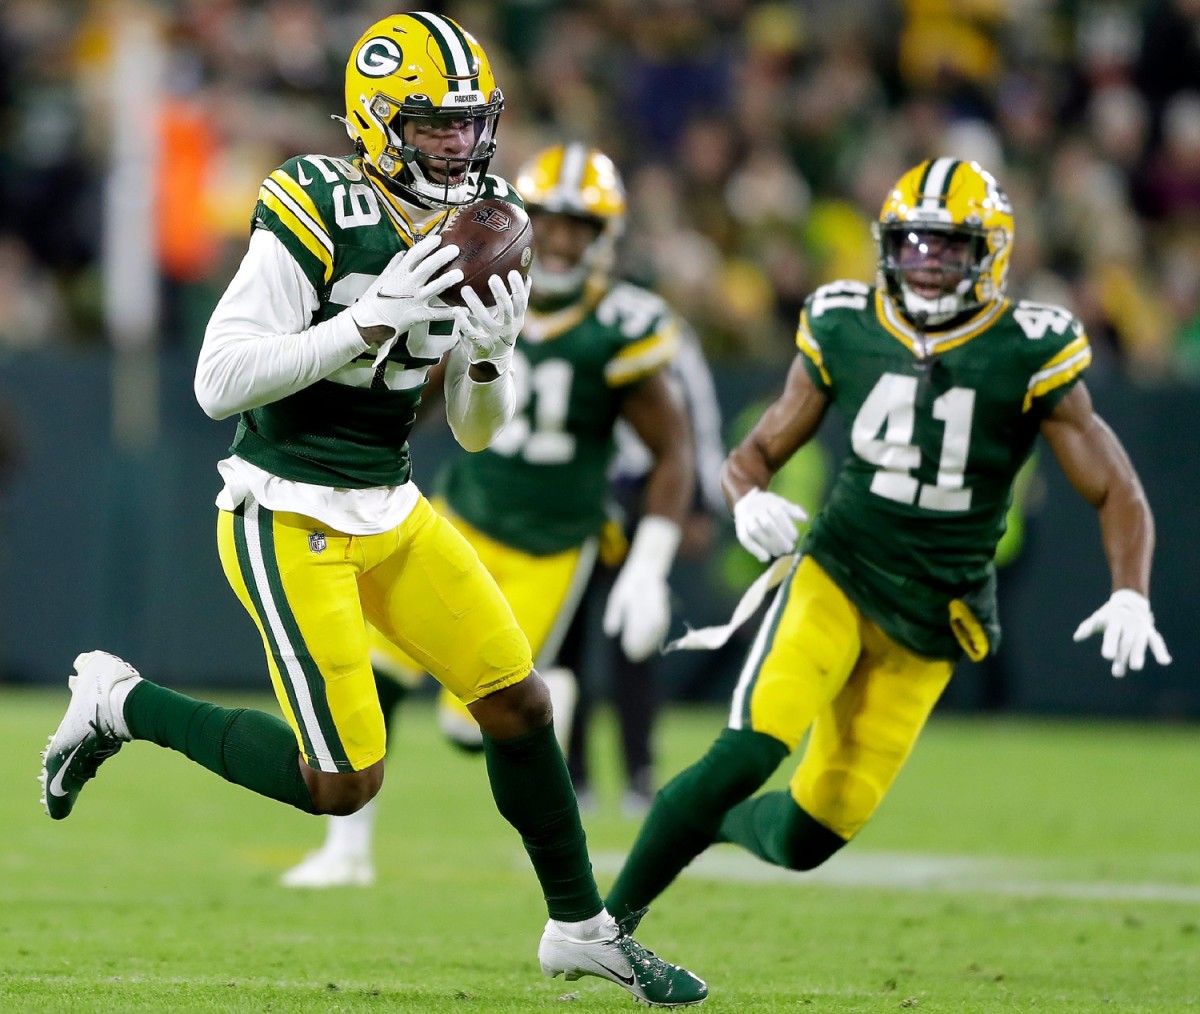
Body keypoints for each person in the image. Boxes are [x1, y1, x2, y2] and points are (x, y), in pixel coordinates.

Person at [37, 14, 706, 1007]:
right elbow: (219, 382)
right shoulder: (315, 198)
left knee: (522, 704)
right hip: (284, 508)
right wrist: (368, 318)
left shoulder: (486, 221)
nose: (464, 148)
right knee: (343, 781)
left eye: (474, 126)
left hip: (389, 503)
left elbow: (475, 429)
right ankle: (118, 702)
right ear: (378, 122)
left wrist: (488, 357)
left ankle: (581, 928)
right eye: (438, 127)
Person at [603, 157, 1173, 935]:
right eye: (912, 244)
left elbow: (1117, 488)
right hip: (838, 573)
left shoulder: (1028, 347)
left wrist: (1130, 591)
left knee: (809, 839)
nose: (926, 263)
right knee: (745, 753)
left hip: (933, 619)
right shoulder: (845, 322)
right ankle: (599, 927)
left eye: (947, 246)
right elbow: (754, 456)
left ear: (991, 253)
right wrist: (747, 503)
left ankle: (710, 825)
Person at [280, 140, 699, 889]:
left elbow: (673, 448)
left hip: (551, 543)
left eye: (580, 226)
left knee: (471, 724)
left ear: (606, 237)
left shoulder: (624, 323)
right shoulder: (476, 280)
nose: (563, 241)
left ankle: (556, 695)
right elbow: (428, 392)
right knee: (377, 678)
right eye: (551, 222)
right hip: (463, 518)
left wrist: (650, 562)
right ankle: (345, 851)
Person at [565, 323, 726, 817]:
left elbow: (696, 418)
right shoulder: (566, 321)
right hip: (571, 489)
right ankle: (572, 774)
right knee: (563, 640)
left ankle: (639, 771)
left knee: (635, 638)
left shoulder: (659, 329)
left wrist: (699, 502)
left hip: (639, 493)